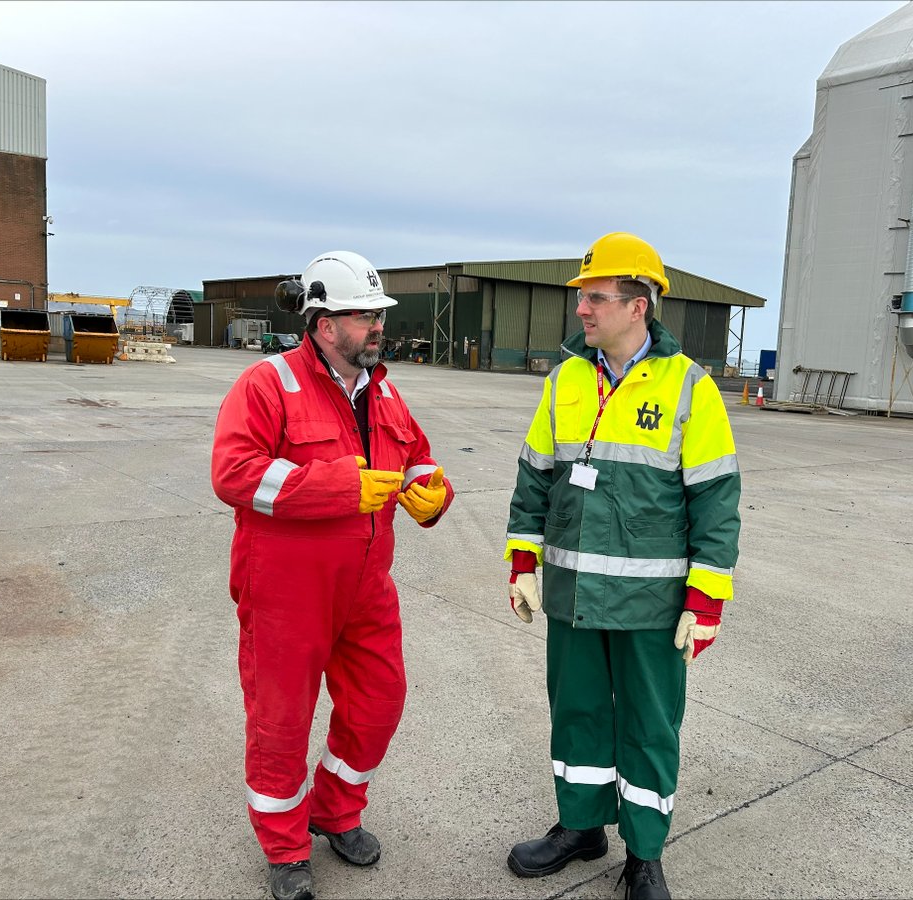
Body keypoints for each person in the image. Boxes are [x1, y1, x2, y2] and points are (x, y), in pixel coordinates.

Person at [503, 233, 741, 899]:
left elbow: (717, 503)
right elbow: (533, 481)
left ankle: (644, 856)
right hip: (575, 596)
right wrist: (523, 562)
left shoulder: (688, 386)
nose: (582, 308)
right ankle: (580, 828)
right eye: (583, 296)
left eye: (597, 297)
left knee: (648, 727)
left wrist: (707, 600)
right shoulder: (565, 381)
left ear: (638, 305)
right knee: (576, 714)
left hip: (650, 604)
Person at [211, 250, 454, 900]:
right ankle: (286, 848)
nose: (377, 326)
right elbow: (233, 474)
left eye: (379, 315)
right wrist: (337, 487)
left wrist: (432, 490)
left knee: (380, 703)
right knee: (280, 724)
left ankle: (334, 810)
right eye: (363, 315)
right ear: (323, 324)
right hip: (286, 594)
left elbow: (416, 458)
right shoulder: (268, 385)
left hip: (366, 591)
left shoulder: (385, 390)